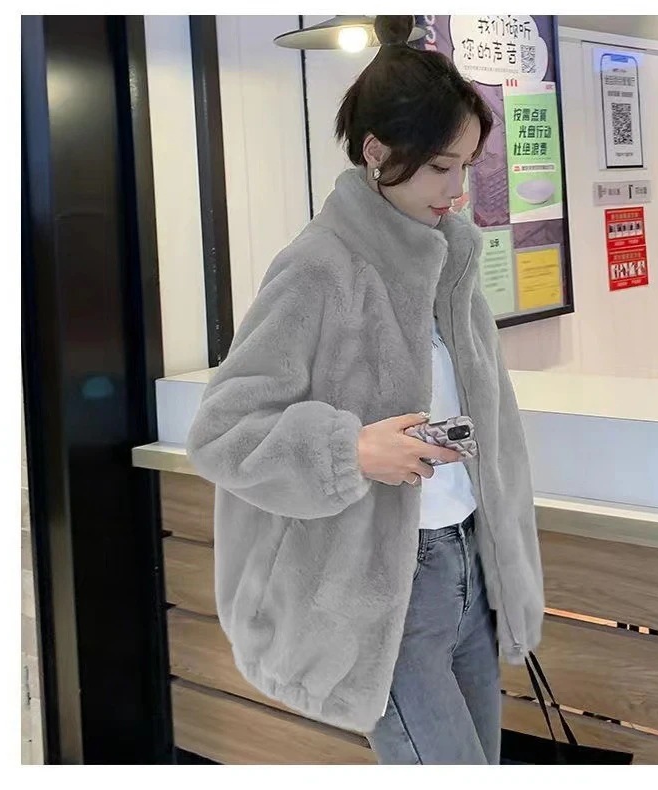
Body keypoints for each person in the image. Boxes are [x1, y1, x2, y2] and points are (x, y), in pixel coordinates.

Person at [186, 15, 544, 765]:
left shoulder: (450, 266)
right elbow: (222, 430)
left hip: (470, 568)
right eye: (441, 167)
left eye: (467, 166)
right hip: (386, 588)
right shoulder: (321, 266)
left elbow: (493, 429)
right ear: (378, 152)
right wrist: (349, 451)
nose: (458, 190)